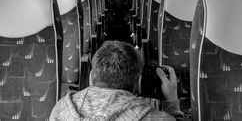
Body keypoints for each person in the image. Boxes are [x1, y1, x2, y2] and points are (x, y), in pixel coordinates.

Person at [50, 41, 184, 120]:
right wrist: (172, 104)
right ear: (139, 83)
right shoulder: (155, 118)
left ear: (91, 77)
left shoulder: (61, 109)